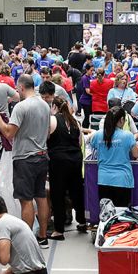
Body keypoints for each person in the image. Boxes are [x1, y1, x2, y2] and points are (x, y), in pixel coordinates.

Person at [0, 74, 51, 247]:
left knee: (26, 201)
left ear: (22, 88)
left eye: (17, 89)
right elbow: (46, 133)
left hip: (25, 159)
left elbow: (9, 133)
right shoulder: (45, 105)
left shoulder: (21, 107)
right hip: (42, 156)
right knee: (41, 197)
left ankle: (27, 240)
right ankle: (43, 236)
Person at [47, 95, 86, 239]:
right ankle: (82, 222)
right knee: (77, 191)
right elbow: (80, 141)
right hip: (75, 159)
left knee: (58, 194)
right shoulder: (75, 121)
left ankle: (59, 230)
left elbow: (46, 139)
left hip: (58, 160)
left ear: (54, 107)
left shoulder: (52, 119)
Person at [89, 106, 138, 208]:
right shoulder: (128, 135)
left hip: (103, 180)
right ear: (121, 120)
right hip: (122, 180)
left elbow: (92, 145)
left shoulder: (98, 135)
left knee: (106, 214)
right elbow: (136, 154)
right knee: (121, 216)